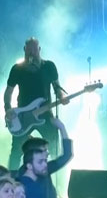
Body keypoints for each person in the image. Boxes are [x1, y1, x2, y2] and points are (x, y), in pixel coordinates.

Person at [4, 37, 69, 170]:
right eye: (29, 50)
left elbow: (57, 88)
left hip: (45, 114)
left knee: (54, 149)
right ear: (24, 50)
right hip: (23, 117)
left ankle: (56, 178)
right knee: (16, 151)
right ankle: (11, 179)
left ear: (39, 50)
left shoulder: (49, 66)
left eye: (34, 49)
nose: (32, 53)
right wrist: (8, 109)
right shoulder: (17, 69)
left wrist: (62, 96)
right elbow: (8, 92)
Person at [19, 120, 73, 198]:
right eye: (43, 150)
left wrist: (62, 127)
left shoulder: (43, 169)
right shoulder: (23, 181)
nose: (47, 153)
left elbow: (67, 155)